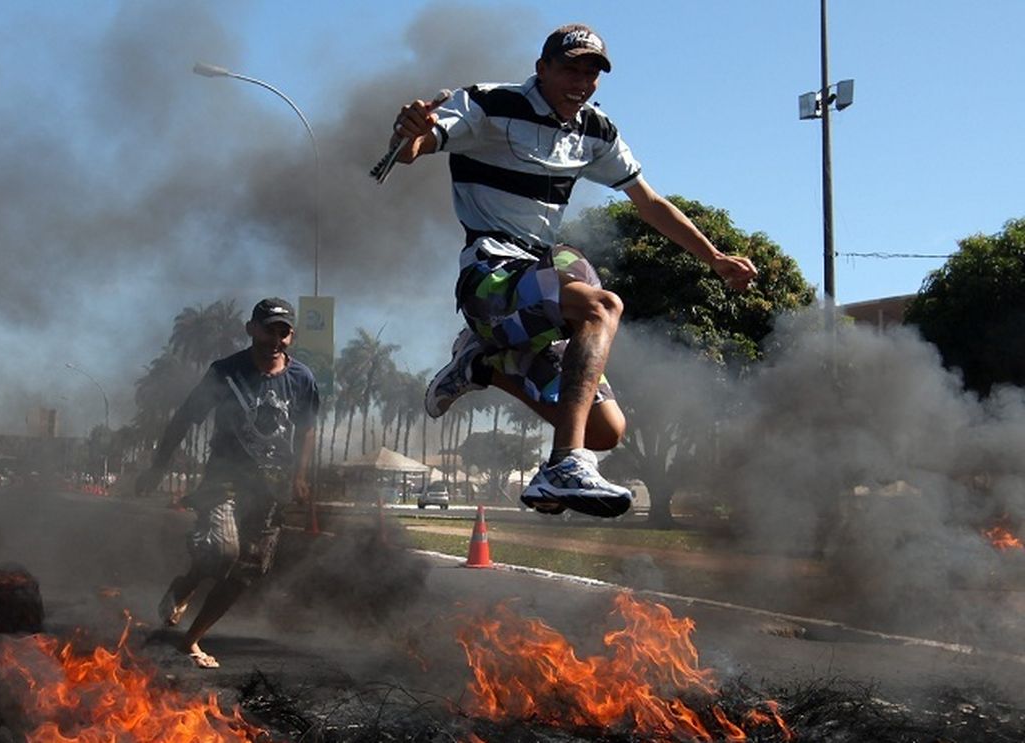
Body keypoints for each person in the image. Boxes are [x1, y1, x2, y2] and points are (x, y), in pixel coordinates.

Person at [387, 23, 758, 517]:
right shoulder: (487, 103)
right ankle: (563, 463)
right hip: (489, 273)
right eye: (569, 68)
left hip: (540, 272)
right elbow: (416, 148)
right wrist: (408, 132)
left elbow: (648, 202)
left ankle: (482, 366)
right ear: (541, 69)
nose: (581, 80)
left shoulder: (596, 130)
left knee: (607, 431)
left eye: (592, 71)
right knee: (601, 304)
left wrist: (714, 257)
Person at [135, 297, 319, 668]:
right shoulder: (225, 372)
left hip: (271, 489)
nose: (275, 340)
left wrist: (299, 477)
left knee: (248, 572)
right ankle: (186, 583)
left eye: (283, 333)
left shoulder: (302, 379)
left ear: (291, 337)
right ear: (251, 329)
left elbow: (306, 430)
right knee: (223, 552)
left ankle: (191, 640)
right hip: (224, 480)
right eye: (269, 330)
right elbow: (185, 419)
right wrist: (158, 467)